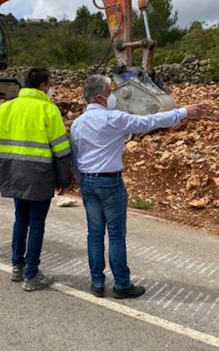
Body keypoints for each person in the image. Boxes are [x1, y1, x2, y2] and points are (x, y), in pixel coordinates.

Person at [69, 74, 207, 299]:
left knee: (94, 234)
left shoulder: (78, 123)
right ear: (100, 97)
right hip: (109, 182)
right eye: (109, 91)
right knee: (116, 235)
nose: (113, 95)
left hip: (87, 181)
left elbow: (74, 154)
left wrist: (79, 178)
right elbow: (149, 121)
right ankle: (121, 284)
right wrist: (183, 112)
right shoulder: (114, 118)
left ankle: (97, 282)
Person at [0, 67, 72, 291]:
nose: (50, 89)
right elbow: (61, 149)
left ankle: (17, 267)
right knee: (37, 224)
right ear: (42, 86)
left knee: (20, 220)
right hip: (39, 175)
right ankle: (31, 274)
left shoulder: (7, 107)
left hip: (13, 172)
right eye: (49, 85)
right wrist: (64, 179)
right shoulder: (48, 110)